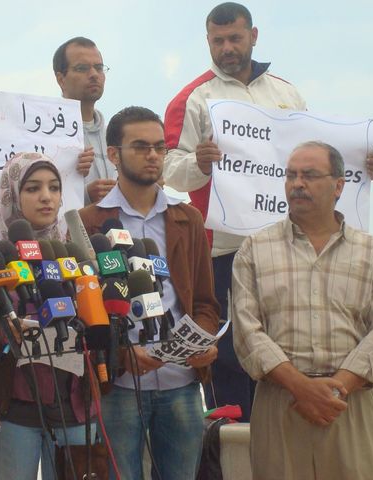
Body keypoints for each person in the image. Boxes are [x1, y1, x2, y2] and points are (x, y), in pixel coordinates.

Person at [163, 2, 373, 421]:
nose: (227, 48)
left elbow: (320, 159)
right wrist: (201, 164)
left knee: (289, 336)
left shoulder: (286, 92)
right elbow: (169, 171)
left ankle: (291, 421)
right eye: (218, 40)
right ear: (207, 41)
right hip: (222, 248)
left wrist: (361, 167)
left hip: (289, 245)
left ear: (254, 35)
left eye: (235, 38)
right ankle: (236, 432)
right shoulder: (193, 98)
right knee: (229, 349)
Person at [231, 141, 373, 480]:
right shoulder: (254, 250)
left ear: (338, 185)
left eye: (309, 175)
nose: (297, 184)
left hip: (348, 407)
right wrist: (300, 387)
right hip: (281, 404)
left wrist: (337, 387)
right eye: (290, 175)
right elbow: (248, 332)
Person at [79, 106, 220, 479]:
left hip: (182, 383)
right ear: (113, 154)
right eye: (140, 146)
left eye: (159, 147)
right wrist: (121, 353)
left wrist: (203, 343)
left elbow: (206, 302)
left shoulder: (187, 218)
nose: (153, 155)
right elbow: (84, 311)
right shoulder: (87, 222)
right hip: (119, 385)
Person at [0, 151, 95, 480]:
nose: (46, 197)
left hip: (77, 410)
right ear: (12, 194)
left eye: (54, 188)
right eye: (33, 188)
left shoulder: (75, 256)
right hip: (16, 413)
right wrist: (3, 333)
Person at [53, 37, 117, 205]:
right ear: (61, 79)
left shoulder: (115, 135)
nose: (94, 75)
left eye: (99, 67)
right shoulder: (47, 134)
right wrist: (86, 195)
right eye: (82, 68)